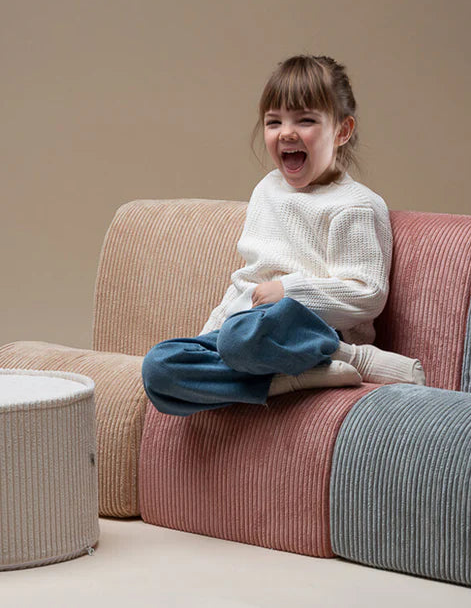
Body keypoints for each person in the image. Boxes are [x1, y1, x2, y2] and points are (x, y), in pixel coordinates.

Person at [141, 54, 425, 416]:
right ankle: (288, 381)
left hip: (306, 332)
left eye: (305, 120)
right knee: (159, 368)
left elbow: (367, 295)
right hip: (245, 334)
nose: (286, 132)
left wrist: (288, 291)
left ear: (342, 131)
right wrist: (206, 338)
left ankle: (350, 359)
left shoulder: (356, 205)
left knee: (243, 334)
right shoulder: (267, 191)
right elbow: (248, 280)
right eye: (274, 122)